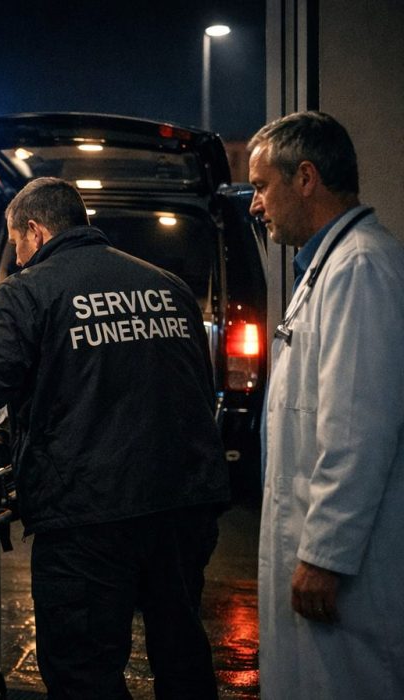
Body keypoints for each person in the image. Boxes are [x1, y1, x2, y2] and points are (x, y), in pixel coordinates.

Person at [0, 177, 229, 698]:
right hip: (185, 501)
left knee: (82, 669)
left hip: (89, 514)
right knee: (182, 652)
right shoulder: (168, 286)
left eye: (18, 242)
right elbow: (198, 391)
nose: (18, 257)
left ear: (34, 229)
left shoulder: (30, 292)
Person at [250, 111, 404, 697]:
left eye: (262, 186)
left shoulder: (360, 267)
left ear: (306, 178)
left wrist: (324, 555)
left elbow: (358, 428)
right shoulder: (329, 267)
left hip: (346, 573)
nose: (255, 205)